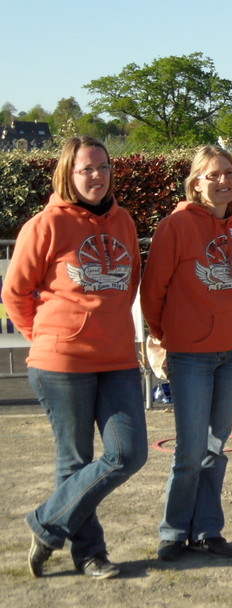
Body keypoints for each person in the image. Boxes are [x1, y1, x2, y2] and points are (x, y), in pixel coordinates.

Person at [2, 136, 147, 580]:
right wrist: (48, 335)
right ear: (68, 172)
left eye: (103, 167)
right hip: (62, 362)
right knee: (75, 460)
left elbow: (129, 284)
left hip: (118, 359)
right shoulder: (45, 224)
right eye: (87, 168)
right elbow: (14, 293)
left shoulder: (123, 220)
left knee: (129, 453)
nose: (97, 176)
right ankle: (90, 555)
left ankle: (46, 522)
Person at [141, 146, 232, 561]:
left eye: (229, 173)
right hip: (190, 353)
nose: (223, 181)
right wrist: (165, 336)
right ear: (195, 183)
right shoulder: (177, 225)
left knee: (216, 446)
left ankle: (208, 529)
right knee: (190, 450)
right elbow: (153, 291)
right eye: (212, 175)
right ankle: (173, 532)